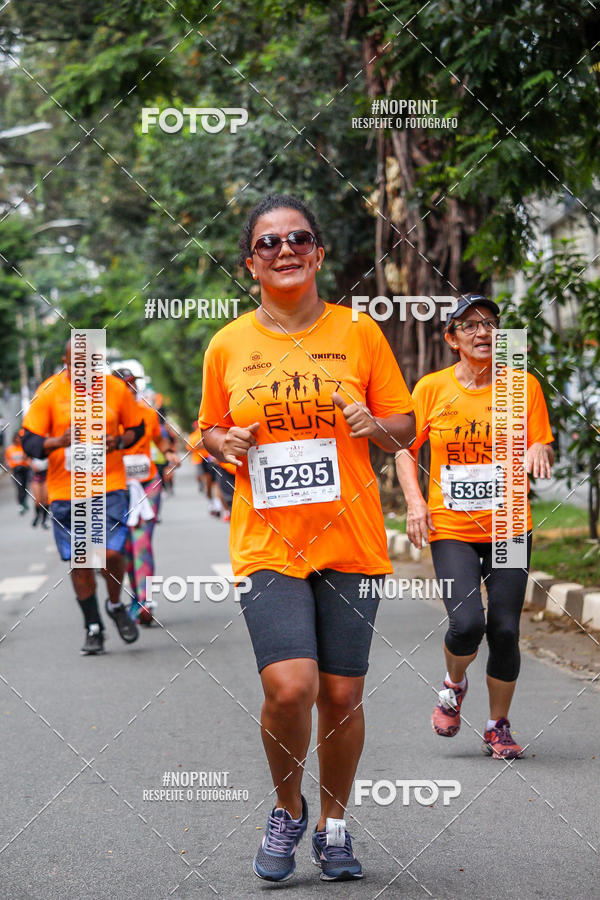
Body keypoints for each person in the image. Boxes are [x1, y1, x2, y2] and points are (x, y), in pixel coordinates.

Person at [199, 193, 415, 883]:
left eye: (298, 238)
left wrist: (370, 424)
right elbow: (209, 429)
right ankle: (287, 808)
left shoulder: (359, 334)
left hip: (351, 542)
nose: (284, 249)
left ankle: (335, 824)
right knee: (291, 687)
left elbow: (405, 429)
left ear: (318, 253)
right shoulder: (228, 344)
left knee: (343, 696)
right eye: (268, 243)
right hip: (267, 543)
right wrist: (221, 440)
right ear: (250, 265)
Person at [395, 293, 554, 759]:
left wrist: (537, 450)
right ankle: (453, 682)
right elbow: (405, 449)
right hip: (452, 528)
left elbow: (539, 441)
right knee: (466, 625)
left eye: (490, 324)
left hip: (509, 524)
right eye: (469, 326)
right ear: (451, 339)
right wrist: (414, 503)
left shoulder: (523, 388)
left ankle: (497, 725)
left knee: (504, 630)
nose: (483, 333)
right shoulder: (431, 389)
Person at [21, 341, 145, 654]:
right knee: (82, 560)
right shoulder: (49, 392)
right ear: (65, 361)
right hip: (66, 490)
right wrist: (57, 441)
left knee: (111, 554)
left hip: (110, 484)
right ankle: (93, 626)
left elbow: (137, 429)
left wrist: (118, 440)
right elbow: (30, 443)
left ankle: (115, 605)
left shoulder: (115, 389)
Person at [113, 368, 179, 625]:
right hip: (116, 488)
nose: (130, 389)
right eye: (125, 385)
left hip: (147, 483)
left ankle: (144, 601)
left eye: (133, 384)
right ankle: (134, 598)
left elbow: (160, 441)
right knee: (124, 548)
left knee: (142, 542)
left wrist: (170, 452)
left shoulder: (147, 413)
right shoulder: (105, 417)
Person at [5, 432, 30, 514]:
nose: (17, 439)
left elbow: (28, 458)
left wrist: (26, 458)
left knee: (25, 487)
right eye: (16, 438)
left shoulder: (24, 447)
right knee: (19, 487)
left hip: (25, 469)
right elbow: (7, 460)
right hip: (16, 471)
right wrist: (9, 469)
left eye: (18, 438)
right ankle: (20, 504)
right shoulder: (10, 449)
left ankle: (24, 501)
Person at [30, 455, 50, 528]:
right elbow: (26, 458)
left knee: (46, 499)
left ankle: (44, 520)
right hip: (36, 477)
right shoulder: (33, 451)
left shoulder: (48, 450)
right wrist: (31, 464)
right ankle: (37, 516)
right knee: (38, 500)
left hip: (46, 476)